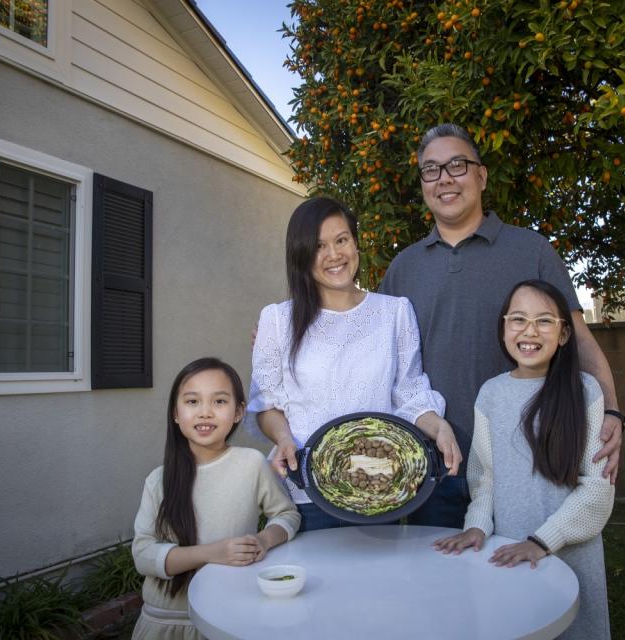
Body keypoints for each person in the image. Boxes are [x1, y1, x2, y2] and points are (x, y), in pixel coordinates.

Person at [378, 123, 624, 528]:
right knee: (443, 584)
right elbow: (372, 348)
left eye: (457, 165)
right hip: (436, 465)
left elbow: (578, 340)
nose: (444, 179)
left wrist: (612, 411)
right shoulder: (405, 267)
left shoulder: (531, 250)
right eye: (431, 169)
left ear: (481, 174)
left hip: (525, 460)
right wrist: (286, 339)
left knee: (521, 578)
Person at [248, 196, 462, 531]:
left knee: (378, 583)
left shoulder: (395, 312)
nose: (334, 255)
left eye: (341, 240)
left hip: (380, 489)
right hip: (307, 491)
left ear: (356, 244)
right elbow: (266, 405)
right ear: (301, 255)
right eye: (319, 246)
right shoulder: (277, 320)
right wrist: (284, 438)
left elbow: (409, 393)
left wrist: (440, 428)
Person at [434, 280, 614, 639]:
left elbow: (597, 489)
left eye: (544, 321)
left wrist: (543, 541)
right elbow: (484, 478)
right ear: (504, 328)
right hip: (509, 553)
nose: (529, 331)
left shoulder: (585, 391)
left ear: (564, 334)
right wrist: (477, 525)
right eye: (518, 319)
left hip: (570, 554)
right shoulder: (491, 393)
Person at [131, 357, 300, 640]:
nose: (205, 413)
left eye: (219, 402)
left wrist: (263, 540)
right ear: (175, 412)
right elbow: (143, 555)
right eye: (192, 402)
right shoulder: (158, 479)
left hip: (228, 618)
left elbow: (287, 514)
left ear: (238, 412)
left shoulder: (251, 464)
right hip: (165, 622)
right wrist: (213, 553)